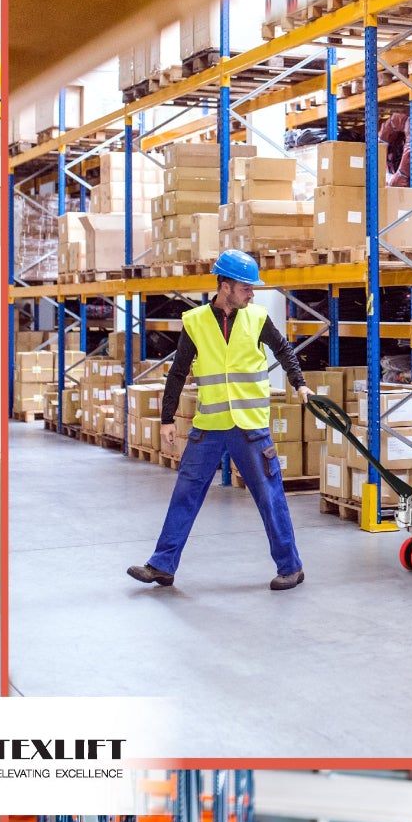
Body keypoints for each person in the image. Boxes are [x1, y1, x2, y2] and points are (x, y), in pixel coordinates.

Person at [127, 251, 308, 592]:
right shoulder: (195, 322)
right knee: (185, 493)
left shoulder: (257, 318)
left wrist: (299, 382)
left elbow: (284, 350)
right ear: (225, 287)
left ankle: (291, 567)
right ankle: (162, 566)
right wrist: (167, 419)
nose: (251, 293)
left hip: (250, 428)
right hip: (209, 427)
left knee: (269, 496)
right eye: (245, 288)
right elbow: (178, 371)